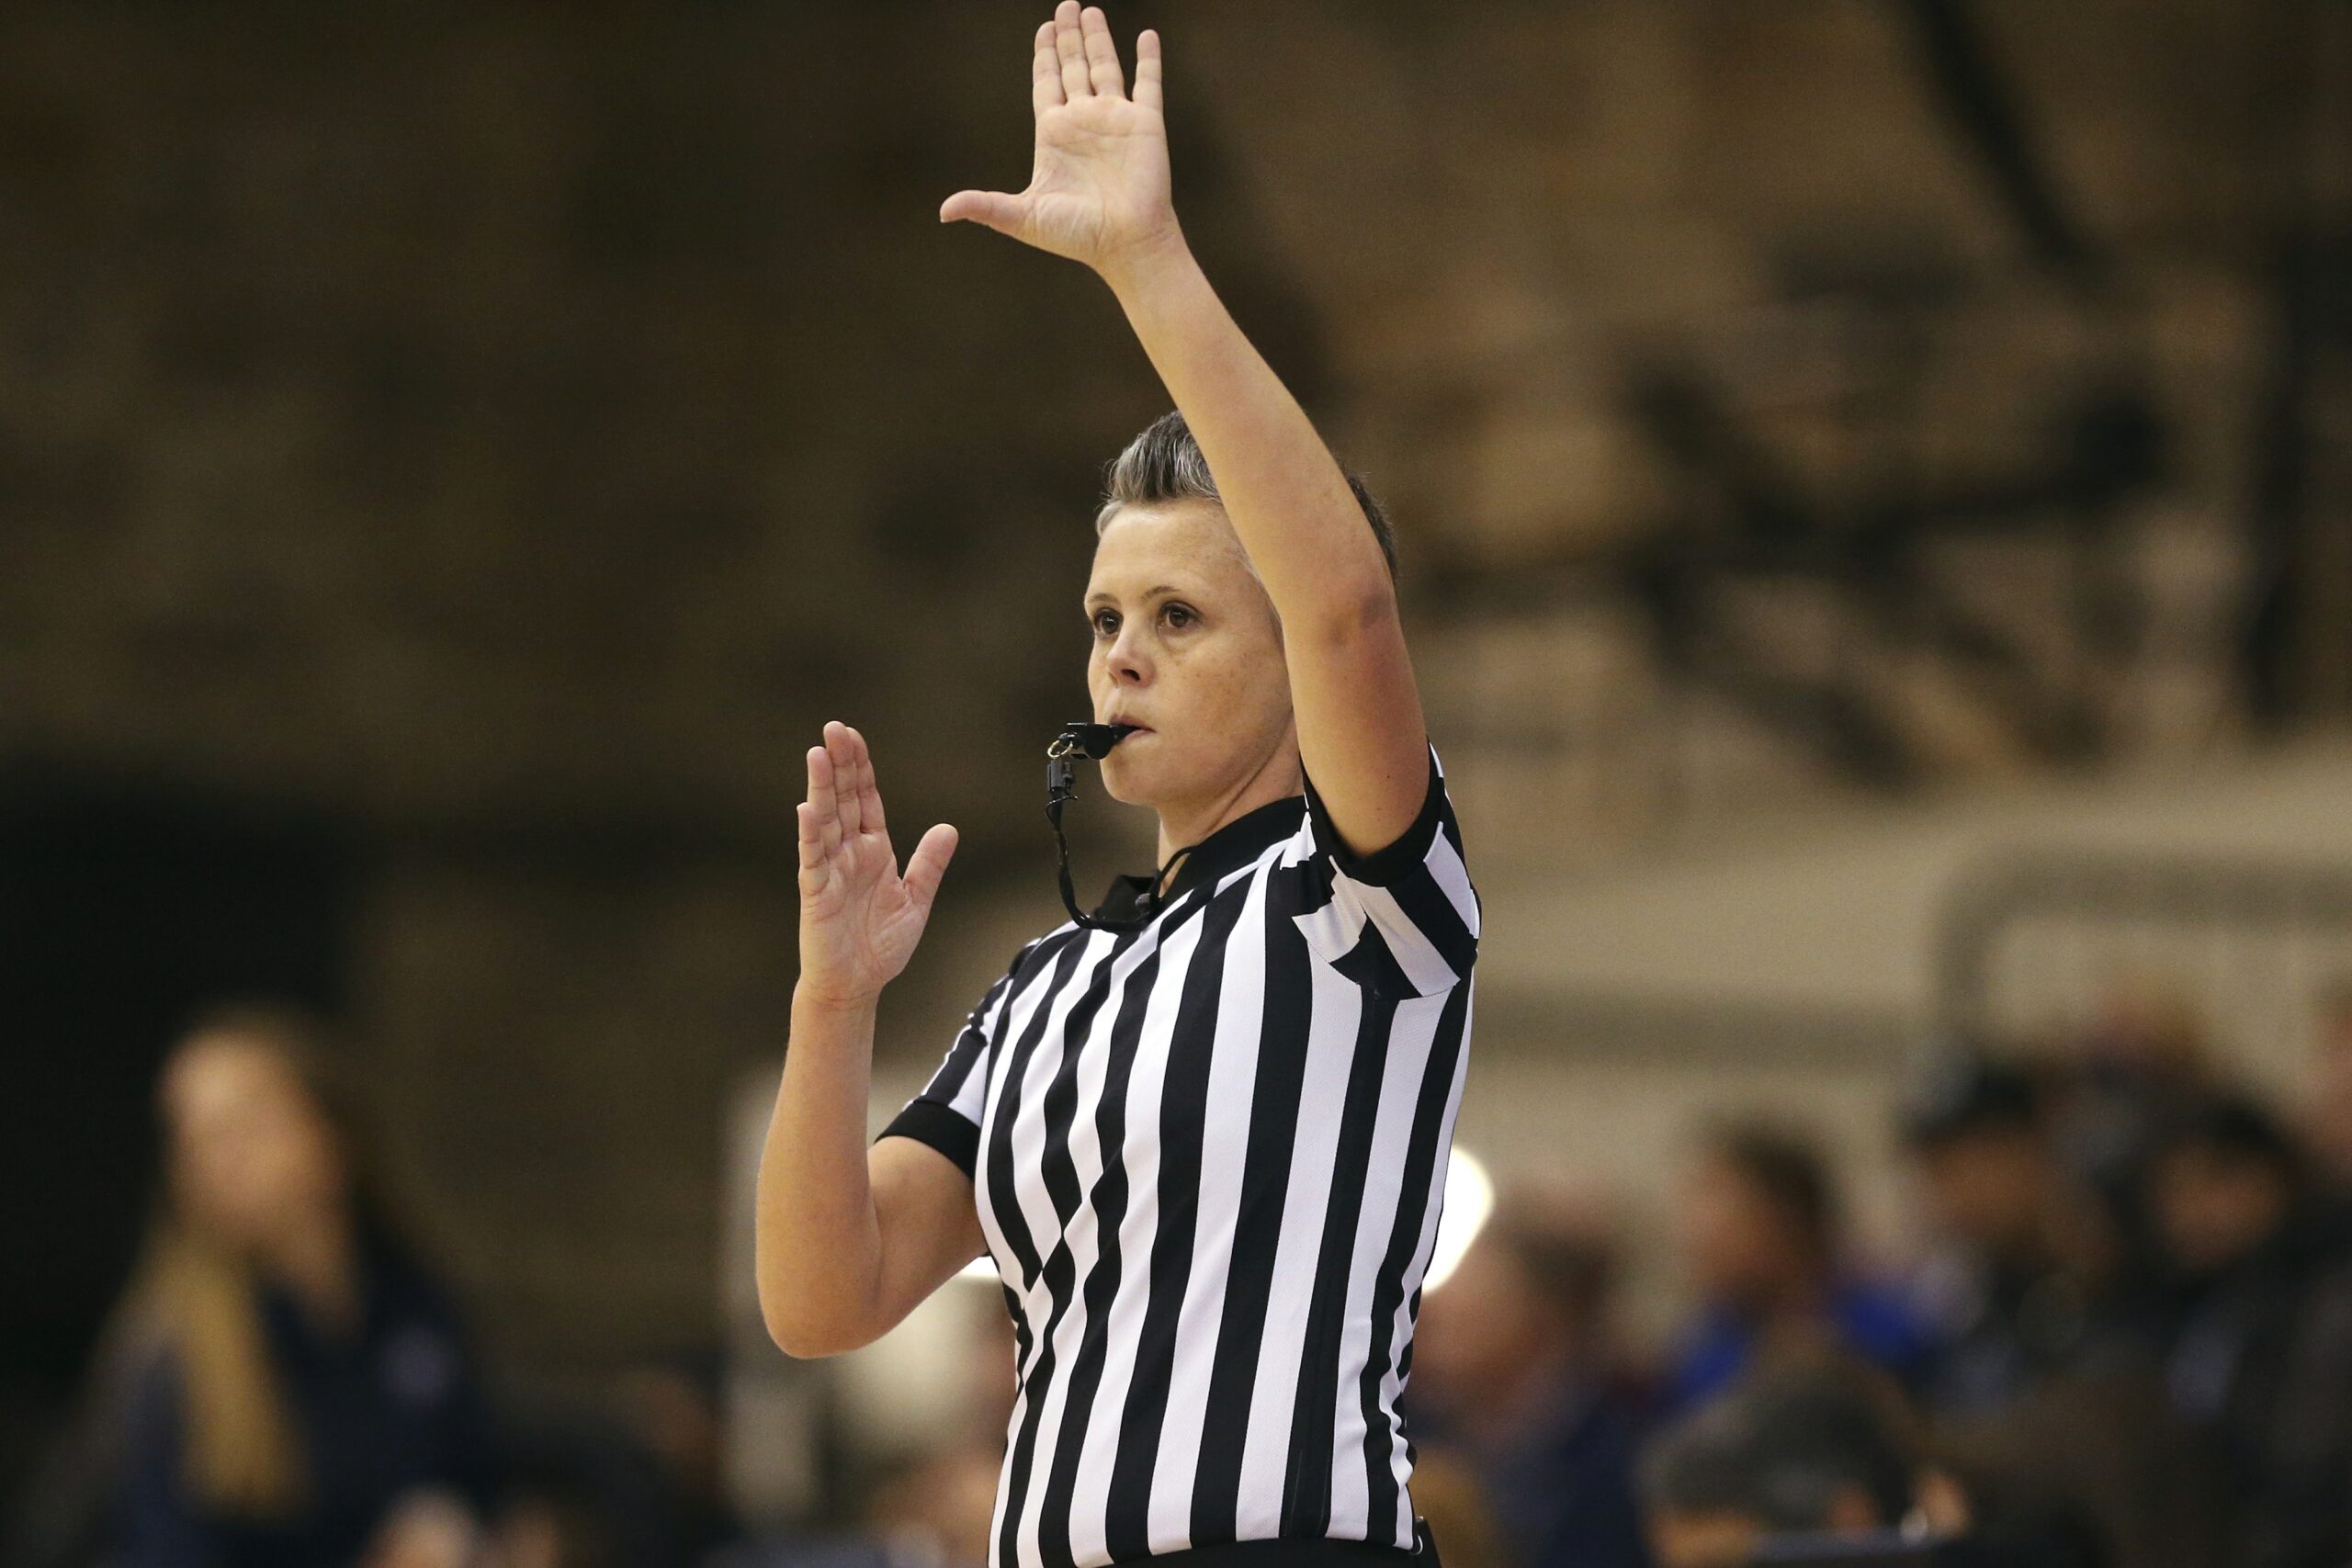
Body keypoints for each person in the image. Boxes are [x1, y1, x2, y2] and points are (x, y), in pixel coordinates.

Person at [753, 8, 1478, 1568]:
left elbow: (1348, 602)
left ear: (1289, 651)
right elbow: (824, 1300)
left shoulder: (1361, 895)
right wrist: (832, 1003)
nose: (1121, 660)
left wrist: (1147, 260)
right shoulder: (1046, 983)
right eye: (1102, 621)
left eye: (1180, 617)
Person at [115, 1006, 503, 1568]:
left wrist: (483, 1530)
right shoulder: (176, 1358)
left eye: (243, 1124)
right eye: (192, 1137)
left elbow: (478, 1471)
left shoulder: (413, 1303)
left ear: (331, 1136)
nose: (217, 1161)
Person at [2147, 1095, 2352, 1568]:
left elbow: (2303, 1484)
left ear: (2275, 1179)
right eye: (2173, 1189)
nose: (2190, 1210)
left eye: (2214, 1182)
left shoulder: (2325, 1304)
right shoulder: (2199, 1304)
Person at [1409, 1192, 1654, 1568]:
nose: (1444, 1321)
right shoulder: (1407, 1427)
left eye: (1479, 1309)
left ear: (1549, 1317)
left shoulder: (1616, 1459)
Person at [1668, 1123, 1936, 1412]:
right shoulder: (1707, 1342)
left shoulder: (1890, 1329)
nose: (1694, 1239)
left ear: (1788, 1221)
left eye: (1724, 1226)